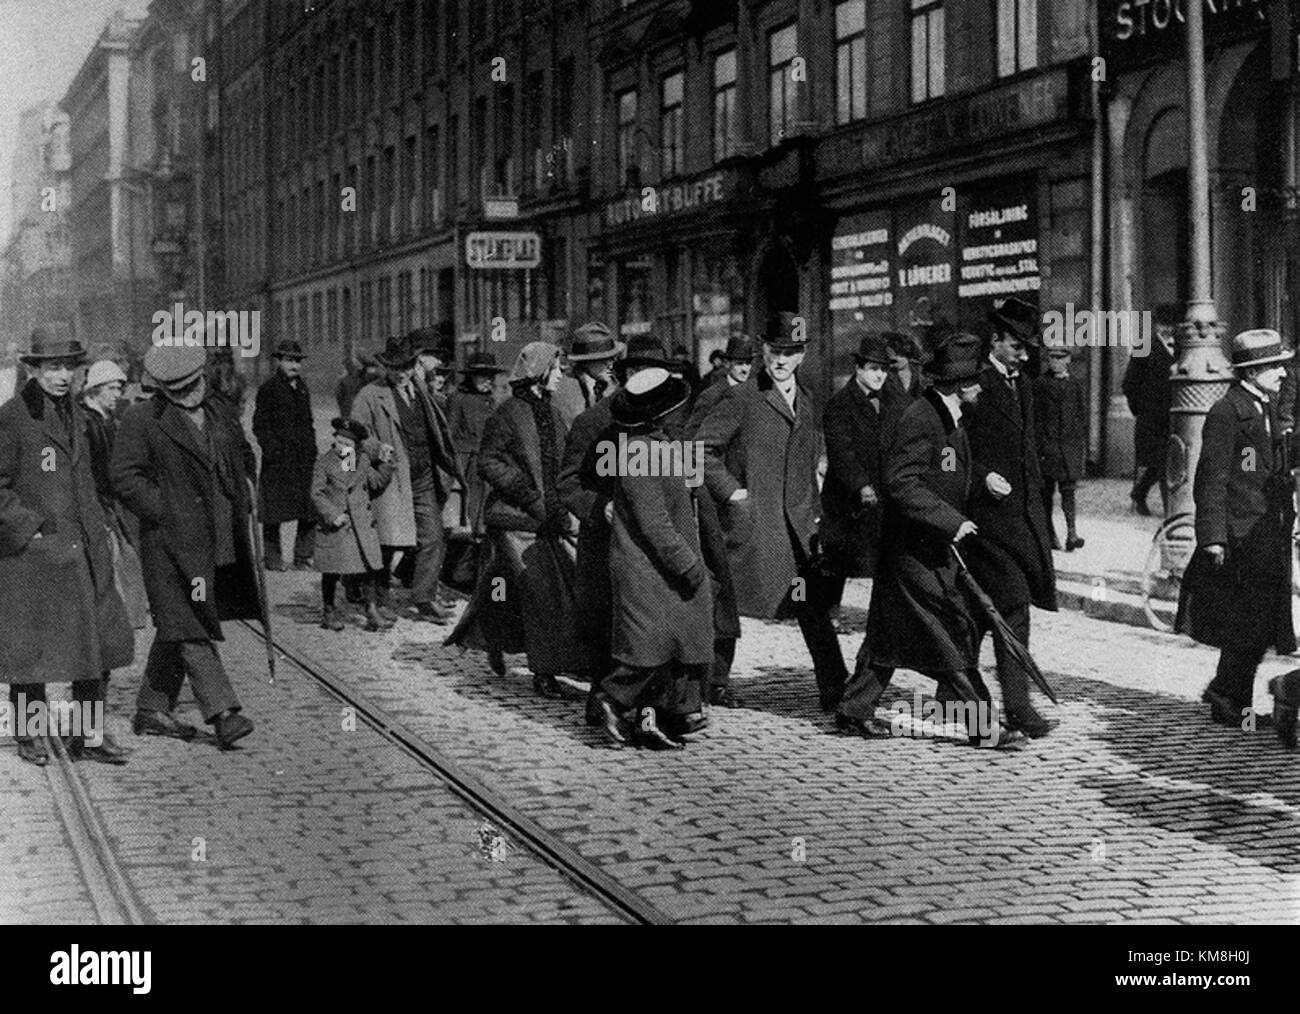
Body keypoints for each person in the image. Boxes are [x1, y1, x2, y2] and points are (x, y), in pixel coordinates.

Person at [835, 332, 1054, 743]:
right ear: (961, 386)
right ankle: (982, 727)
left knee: (886, 632)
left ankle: (853, 708)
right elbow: (901, 483)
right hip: (913, 550)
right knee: (950, 632)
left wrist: (977, 489)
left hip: (922, 546)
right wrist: (950, 521)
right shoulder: (923, 418)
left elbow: (946, 475)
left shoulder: (950, 418)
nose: (980, 388)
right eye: (975, 382)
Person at [697, 311, 847, 712]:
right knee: (728, 599)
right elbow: (699, 449)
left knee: (811, 604)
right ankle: (713, 682)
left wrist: (816, 511)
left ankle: (835, 686)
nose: (780, 360)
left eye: (790, 352)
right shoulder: (741, 397)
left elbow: (809, 458)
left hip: (797, 524)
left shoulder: (808, 399)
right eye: (774, 350)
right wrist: (732, 494)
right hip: (755, 522)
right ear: (763, 350)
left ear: (802, 355)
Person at [111, 344, 259, 750]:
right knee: (189, 621)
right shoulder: (142, 419)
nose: (187, 395)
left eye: (192, 385)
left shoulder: (220, 411)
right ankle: (224, 713)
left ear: (203, 376)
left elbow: (243, 454)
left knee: (178, 622)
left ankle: (151, 708)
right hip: (169, 544)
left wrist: (245, 487)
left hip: (217, 540)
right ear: (162, 389)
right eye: (175, 390)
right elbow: (124, 477)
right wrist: (165, 510)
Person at [0, 328, 135, 765]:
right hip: (36, 558)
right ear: (34, 369)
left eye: (68, 368)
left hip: (85, 550)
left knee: (95, 650)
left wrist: (106, 530)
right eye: (52, 367)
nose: (61, 376)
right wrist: (30, 530)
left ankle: (88, 736)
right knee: (33, 650)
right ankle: (30, 735)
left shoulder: (77, 415)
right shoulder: (13, 418)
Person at [1176, 329, 1296, 732]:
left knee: (1256, 622)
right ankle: (1229, 698)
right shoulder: (1228, 412)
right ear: (1254, 370)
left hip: (1268, 530)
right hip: (1242, 536)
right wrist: (1212, 536)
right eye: (1275, 366)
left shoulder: (1266, 406)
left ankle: (1229, 695)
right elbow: (1211, 478)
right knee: (1249, 622)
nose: (1282, 373)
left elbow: (1261, 465)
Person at [446, 342, 581, 698]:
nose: (561, 374)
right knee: (540, 595)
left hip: (547, 519)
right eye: (556, 368)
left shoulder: (552, 415)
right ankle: (544, 674)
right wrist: (526, 492)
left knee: (509, 592)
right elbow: (488, 462)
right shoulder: (506, 413)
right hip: (514, 520)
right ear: (539, 372)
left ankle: (493, 637)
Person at [595, 368, 712, 749]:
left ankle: (650, 719)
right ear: (660, 414)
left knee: (668, 646)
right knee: (647, 649)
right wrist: (687, 563)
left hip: (655, 567)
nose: (679, 411)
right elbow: (655, 524)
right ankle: (610, 701)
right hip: (647, 568)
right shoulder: (640, 452)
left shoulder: (652, 445)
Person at [961, 296, 1057, 660]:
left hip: (1021, 521)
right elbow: (951, 451)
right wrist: (982, 476)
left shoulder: (1025, 387)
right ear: (996, 340)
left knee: (981, 613)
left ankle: (953, 689)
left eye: (1027, 349)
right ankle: (1018, 709)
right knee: (1013, 604)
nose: (1025, 356)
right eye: (1017, 347)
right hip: (985, 521)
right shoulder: (974, 386)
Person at [351, 334, 463, 623]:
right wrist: (377, 448)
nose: (401, 373)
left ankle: (424, 598)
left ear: (415, 364)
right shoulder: (369, 395)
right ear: (385, 367)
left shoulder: (421, 389)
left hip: (424, 476)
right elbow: (356, 434)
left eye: (407, 366)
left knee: (433, 537)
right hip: (391, 480)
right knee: (385, 543)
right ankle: (375, 596)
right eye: (395, 368)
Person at [820, 333, 906, 584]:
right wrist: (861, 484)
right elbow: (841, 452)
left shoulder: (894, 400)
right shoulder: (839, 404)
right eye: (873, 369)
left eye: (883, 370)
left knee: (885, 559)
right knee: (846, 562)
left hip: (885, 490)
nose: (879, 375)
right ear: (858, 369)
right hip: (851, 498)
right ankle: (828, 611)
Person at [311, 417, 396, 633]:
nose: (342, 448)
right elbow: (316, 493)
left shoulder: (357, 460)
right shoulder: (324, 462)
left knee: (367, 569)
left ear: (355, 446)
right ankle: (328, 613)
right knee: (331, 571)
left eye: (347, 445)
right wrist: (333, 515)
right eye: (338, 442)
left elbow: (374, 482)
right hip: (337, 526)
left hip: (360, 525)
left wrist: (386, 462)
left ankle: (371, 612)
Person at [82, 358, 148, 629]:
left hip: (113, 501)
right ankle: (116, 619)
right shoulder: (87, 423)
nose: (118, 395)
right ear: (95, 390)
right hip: (99, 503)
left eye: (120, 389)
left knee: (130, 556)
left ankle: (132, 617)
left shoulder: (107, 420)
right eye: (111, 389)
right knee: (110, 561)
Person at [252, 340, 316, 571]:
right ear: (279, 361)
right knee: (273, 512)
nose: (295, 366)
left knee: (309, 508)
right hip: (278, 461)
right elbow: (259, 426)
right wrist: (273, 450)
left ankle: (303, 556)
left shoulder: (302, 387)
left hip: (302, 460)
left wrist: (312, 447)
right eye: (289, 360)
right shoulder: (268, 389)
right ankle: (273, 558)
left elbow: (308, 421)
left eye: (297, 361)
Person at [1122, 305, 1177, 515]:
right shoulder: (1144, 346)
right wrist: (1141, 410)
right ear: (1156, 325)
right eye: (1163, 325)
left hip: (1173, 416)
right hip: (1151, 417)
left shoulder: (1183, 347)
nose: (1167, 330)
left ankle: (1139, 493)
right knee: (1160, 462)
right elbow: (1129, 384)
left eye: (1171, 325)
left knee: (1163, 462)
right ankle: (1168, 509)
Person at [1033, 346, 1088, 551]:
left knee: (1068, 491)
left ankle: (1072, 533)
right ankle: (1049, 534)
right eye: (1052, 358)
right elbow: (1034, 418)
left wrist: (1079, 444)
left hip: (1068, 447)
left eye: (1060, 358)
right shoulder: (1039, 384)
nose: (1055, 362)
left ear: (1068, 360)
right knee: (1046, 493)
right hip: (1047, 448)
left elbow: (1080, 416)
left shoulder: (1074, 384)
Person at [446, 351, 501, 535]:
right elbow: (449, 434)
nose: (488, 381)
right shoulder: (458, 399)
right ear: (471, 377)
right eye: (482, 376)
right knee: (471, 507)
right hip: (467, 462)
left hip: (488, 461)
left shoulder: (491, 401)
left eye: (491, 376)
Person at [554, 321, 623, 427]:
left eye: (613, 358)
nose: (610, 364)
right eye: (603, 359)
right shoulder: (563, 388)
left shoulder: (616, 385)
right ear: (586, 361)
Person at [685, 332, 756, 434]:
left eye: (748, 363)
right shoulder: (710, 396)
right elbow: (691, 434)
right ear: (727, 364)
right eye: (739, 364)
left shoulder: (755, 393)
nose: (745, 369)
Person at [336, 352, 381, 418]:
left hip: (357, 408)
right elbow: (339, 396)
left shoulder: (365, 376)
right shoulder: (344, 380)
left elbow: (339, 397)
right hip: (351, 408)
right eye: (347, 365)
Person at [884, 331, 926, 399]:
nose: (891, 365)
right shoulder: (885, 374)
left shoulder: (916, 371)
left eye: (894, 362)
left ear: (906, 357)